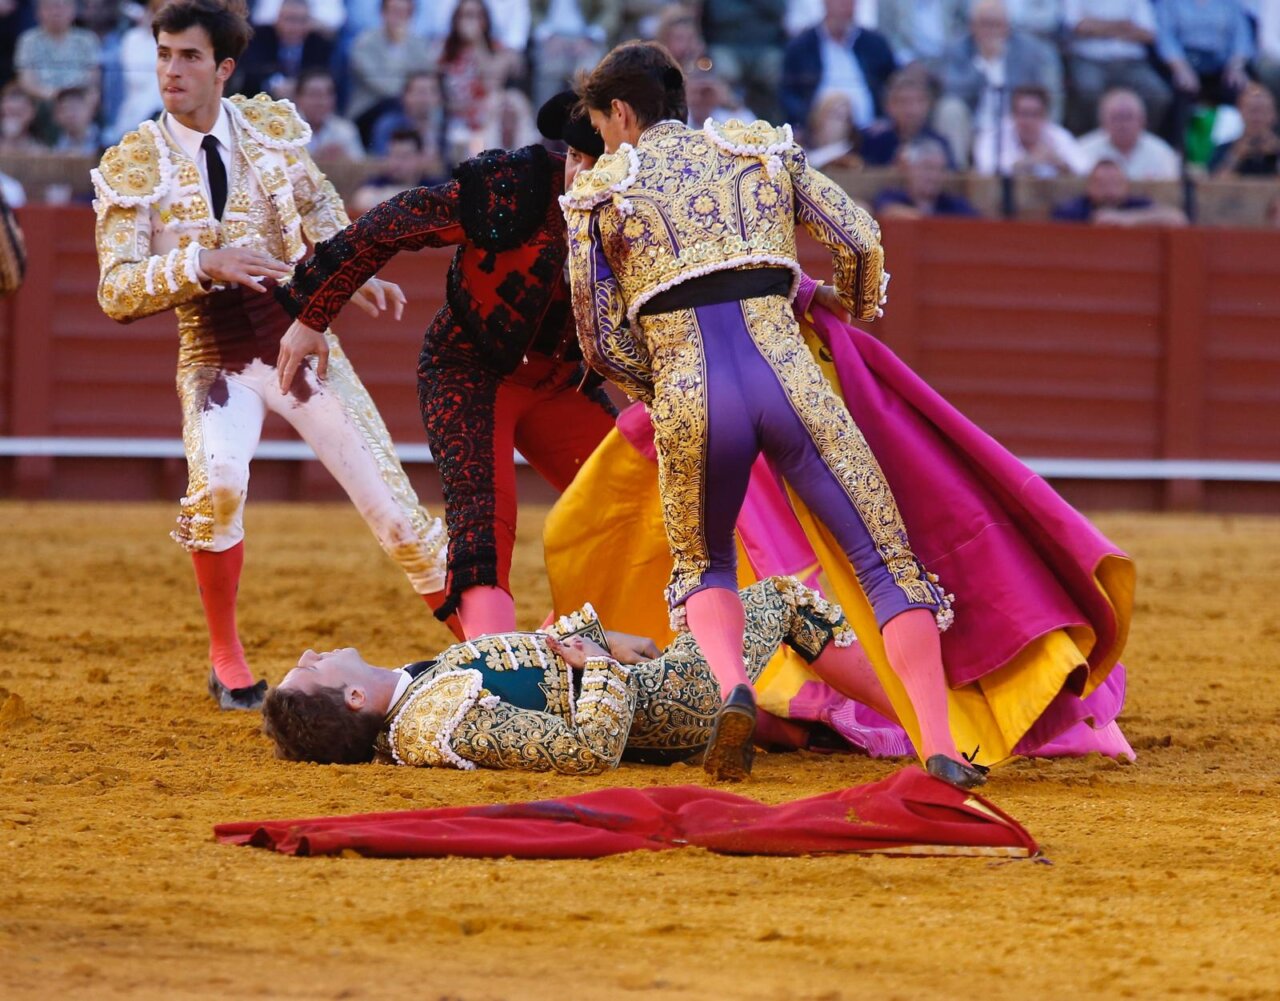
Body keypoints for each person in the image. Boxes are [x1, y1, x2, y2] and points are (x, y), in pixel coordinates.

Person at [564, 42, 983, 788]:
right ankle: (940, 745)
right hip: (790, 380)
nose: (602, 144)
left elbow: (598, 343)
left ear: (621, 114)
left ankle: (734, 689)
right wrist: (845, 308)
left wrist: (663, 387)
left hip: (693, 392)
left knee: (705, 562)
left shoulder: (600, 193)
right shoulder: (757, 151)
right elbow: (858, 239)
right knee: (886, 564)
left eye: (601, 128)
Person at [93, 0, 450, 711]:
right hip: (214, 356)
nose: (172, 70)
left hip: (297, 340)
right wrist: (201, 262)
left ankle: (479, 647)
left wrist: (353, 270)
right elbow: (114, 289)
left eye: (189, 57)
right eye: (164, 54)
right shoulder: (135, 163)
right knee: (218, 487)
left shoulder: (270, 130)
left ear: (223, 67)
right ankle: (226, 657)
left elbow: (320, 211)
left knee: (399, 514)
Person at [275, 90, 617, 638]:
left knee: (645, 504)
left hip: (563, 387)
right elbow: (391, 221)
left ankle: (560, 645)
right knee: (483, 525)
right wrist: (313, 314)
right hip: (470, 370)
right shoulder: (518, 186)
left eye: (599, 163)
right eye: (576, 158)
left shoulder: (653, 217)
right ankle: (494, 670)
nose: (581, 176)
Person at [262, 576, 896, 773]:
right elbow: (585, 750)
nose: (313, 652)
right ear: (350, 697)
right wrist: (600, 668)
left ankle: (823, 727)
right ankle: (918, 721)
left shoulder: (413, 695)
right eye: (309, 668)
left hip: (646, 688)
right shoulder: (439, 725)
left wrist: (597, 644)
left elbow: (522, 673)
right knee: (779, 600)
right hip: (670, 705)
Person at [929, 0, 1063, 169]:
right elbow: (951, 89)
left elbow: (1044, 94)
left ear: (1007, 26)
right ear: (972, 26)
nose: (990, 31)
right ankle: (956, 173)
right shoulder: (958, 50)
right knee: (950, 109)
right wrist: (983, 66)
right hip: (973, 123)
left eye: (996, 25)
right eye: (984, 24)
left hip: (1015, 125)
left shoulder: (1030, 52)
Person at [780, 0, 896, 143]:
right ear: (825, 3)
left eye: (850, 2)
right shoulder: (801, 46)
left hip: (870, 131)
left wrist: (885, 118)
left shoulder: (875, 44)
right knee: (836, 114)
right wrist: (804, 121)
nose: (845, 6)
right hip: (817, 128)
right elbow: (788, 93)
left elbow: (892, 83)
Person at [1061, 0, 1171, 135]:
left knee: (1158, 94)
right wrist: (1123, 26)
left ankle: (1137, 139)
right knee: (1089, 91)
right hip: (1089, 60)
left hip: (1131, 63)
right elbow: (1078, 26)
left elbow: (1148, 34)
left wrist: (1097, 27)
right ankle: (1097, 141)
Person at [973, 83, 1087, 178]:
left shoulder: (1057, 135)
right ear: (1013, 115)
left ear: (1045, 117)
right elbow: (986, 169)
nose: (1028, 121)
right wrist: (1028, 162)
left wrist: (1061, 164)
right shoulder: (994, 136)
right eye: (1023, 114)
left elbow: (1084, 170)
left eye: (1035, 114)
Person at [233, 0, 332, 97]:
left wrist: (297, 86)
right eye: (290, 19)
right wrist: (274, 83)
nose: (296, 26)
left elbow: (319, 74)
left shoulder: (319, 44)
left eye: (302, 20)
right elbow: (251, 70)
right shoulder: (258, 37)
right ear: (278, 19)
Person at [1078, 86, 1180, 180]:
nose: (1123, 124)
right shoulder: (1082, 152)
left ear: (1142, 121)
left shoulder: (1162, 154)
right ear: (1103, 122)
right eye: (1116, 118)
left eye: (1128, 117)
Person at [860, 69, 954, 168]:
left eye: (919, 101)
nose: (912, 109)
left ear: (929, 105)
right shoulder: (872, 140)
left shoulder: (940, 143)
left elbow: (952, 179)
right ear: (889, 106)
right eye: (903, 101)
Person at [14, 0, 103, 106]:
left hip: (78, 102)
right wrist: (57, 97)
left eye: (62, 7)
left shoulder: (87, 39)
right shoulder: (28, 40)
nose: (56, 12)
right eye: (50, 7)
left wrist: (86, 104)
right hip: (43, 101)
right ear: (38, 12)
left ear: (74, 11)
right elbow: (26, 81)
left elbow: (93, 82)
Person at [1051, 157, 1186, 225]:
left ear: (1126, 186)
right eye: (1102, 184)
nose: (1110, 191)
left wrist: (1127, 219)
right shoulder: (1075, 209)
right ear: (1089, 187)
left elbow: (1177, 219)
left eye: (1115, 183)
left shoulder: (1136, 205)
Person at [874, 137, 980, 217]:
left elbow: (980, 227)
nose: (934, 176)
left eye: (940, 170)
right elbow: (883, 212)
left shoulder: (955, 205)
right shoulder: (891, 197)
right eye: (927, 168)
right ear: (909, 169)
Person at [294, 67, 365, 161]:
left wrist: (344, 158)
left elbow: (360, 167)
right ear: (298, 98)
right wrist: (316, 158)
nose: (320, 102)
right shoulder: (285, 130)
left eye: (327, 94)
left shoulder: (346, 130)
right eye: (313, 94)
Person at [1210, 83, 1280, 177]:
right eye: (1252, 111)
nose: (1257, 117)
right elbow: (1211, 185)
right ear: (1240, 112)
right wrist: (1235, 156)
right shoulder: (1224, 149)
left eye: (1263, 111)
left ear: (1274, 114)